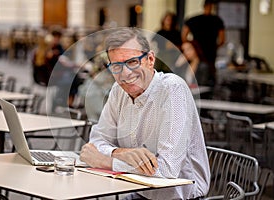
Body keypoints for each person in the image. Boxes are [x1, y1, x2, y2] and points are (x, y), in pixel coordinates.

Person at [80, 27, 210, 199]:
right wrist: (122, 153)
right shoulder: (118, 91)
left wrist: (107, 162)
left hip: (179, 196)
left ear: (150, 59)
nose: (125, 73)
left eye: (132, 62)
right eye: (116, 66)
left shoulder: (172, 90)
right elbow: (96, 143)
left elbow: (167, 170)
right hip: (139, 191)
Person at [181, 0, 225, 86]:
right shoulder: (216, 20)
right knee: (203, 73)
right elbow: (222, 39)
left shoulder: (214, 20)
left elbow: (184, 35)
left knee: (199, 72)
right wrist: (191, 46)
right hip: (205, 51)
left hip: (204, 51)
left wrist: (191, 45)